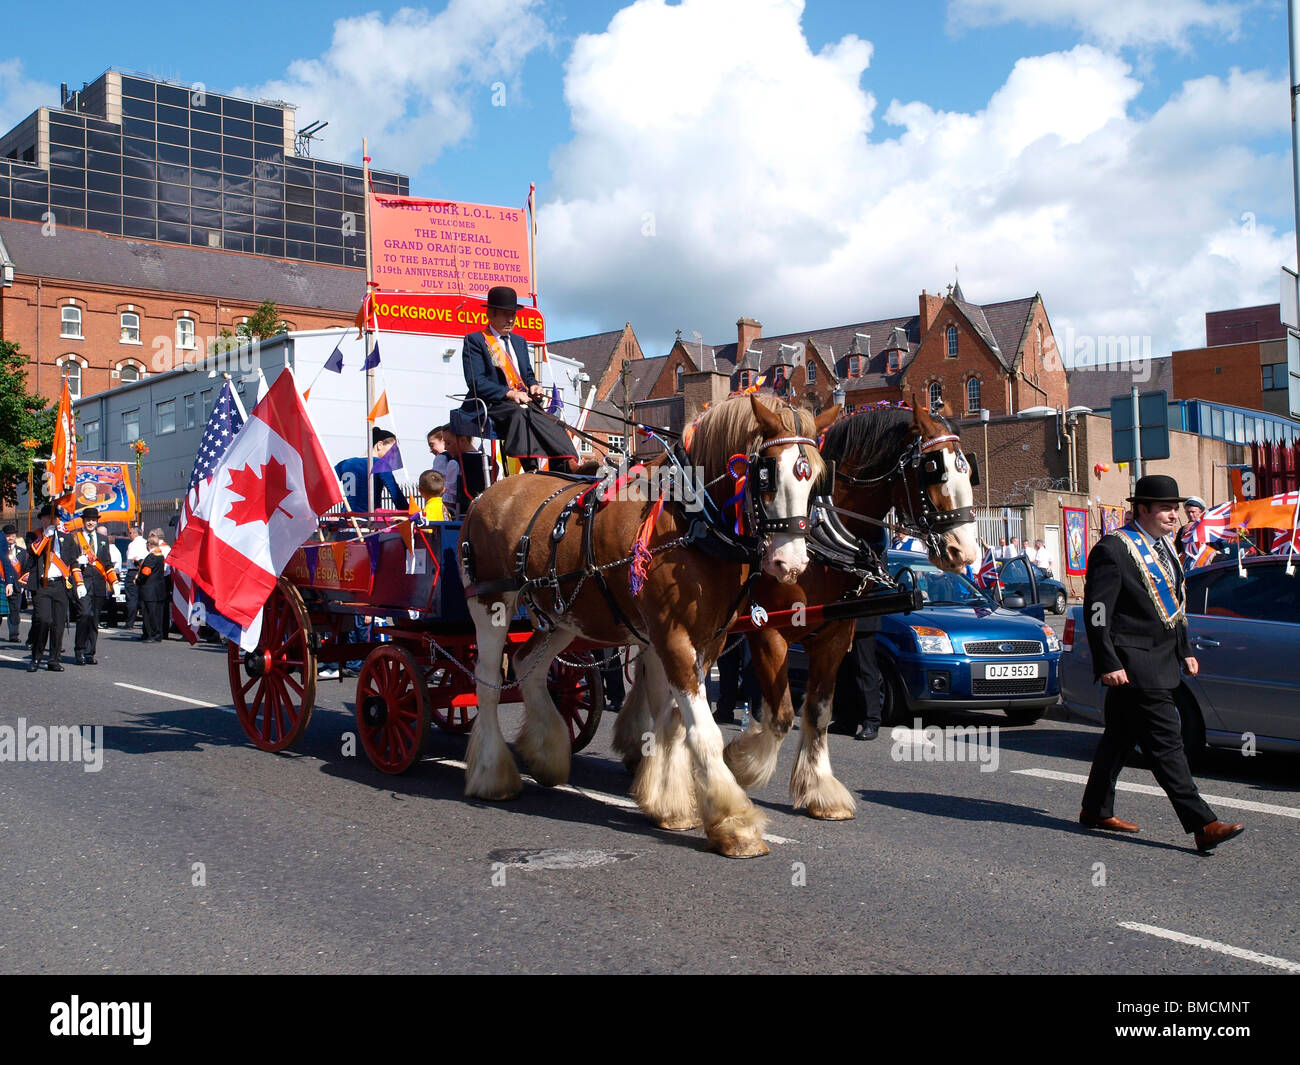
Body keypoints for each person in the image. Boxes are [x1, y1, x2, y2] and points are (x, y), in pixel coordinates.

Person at [1080, 474, 1245, 853]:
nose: (1174, 514)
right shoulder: (1114, 549)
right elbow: (1098, 610)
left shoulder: (1165, 548)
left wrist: (1185, 649)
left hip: (1161, 659)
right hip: (1134, 664)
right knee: (1167, 743)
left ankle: (1095, 809)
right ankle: (1203, 824)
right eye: (1166, 508)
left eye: (1175, 507)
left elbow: (1175, 606)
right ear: (1143, 509)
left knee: (1118, 739)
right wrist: (1107, 660)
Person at [461, 286, 579, 472]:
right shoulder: (475, 340)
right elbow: (476, 382)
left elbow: (528, 374)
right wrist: (509, 394)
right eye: (505, 314)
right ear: (490, 315)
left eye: (513, 315)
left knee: (550, 419)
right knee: (519, 415)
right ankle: (530, 467)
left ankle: (567, 464)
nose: (510, 319)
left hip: (523, 400)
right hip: (494, 402)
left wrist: (533, 385)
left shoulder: (519, 342)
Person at [23, 504, 84, 671]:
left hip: (60, 584)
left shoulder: (67, 538)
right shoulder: (33, 536)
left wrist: (79, 583)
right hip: (42, 585)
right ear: (42, 519)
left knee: (58, 623)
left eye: (54, 518)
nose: (51, 520)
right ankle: (36, 657)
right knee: (43, 620)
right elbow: (34, 551)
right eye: (48, 517)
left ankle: (54, 659)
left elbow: (73, 563)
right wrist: (45, 537)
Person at [71, 507, 115, 665]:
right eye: (88, 520)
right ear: (83, 521)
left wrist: (113, 581)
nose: (90, 522)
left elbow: (108, 563)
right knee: (84, 615)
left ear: (97, 522)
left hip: (98, 584)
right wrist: (77, 561)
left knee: (94, 619)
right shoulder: (76, 538)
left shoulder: (103, 540)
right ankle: (79, 650)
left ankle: (90, 653)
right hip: (82, 583)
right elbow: (70, 561)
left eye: (93, 520)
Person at [831, 615, 884, 740]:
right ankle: (845, 722)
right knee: (843, 673)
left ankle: (871, 721)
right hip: (842, 621)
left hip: (863, 619)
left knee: (865, 670)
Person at [335, 428, 410, 513]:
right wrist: (409, 514)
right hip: (367, 520)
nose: (394, 455)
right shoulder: (380, 464)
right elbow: (396, 494)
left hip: (346, 519)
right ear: (379, 445)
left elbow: (326, 483)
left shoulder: (345, 463)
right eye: (393, 450)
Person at [136, 532, 170, 642]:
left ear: (149, 544)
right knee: (157, 614)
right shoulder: (160, 556)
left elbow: (146, 572)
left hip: (149, 590)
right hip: (158, 589)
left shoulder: (151, 557)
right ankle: (157, 634)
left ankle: (151, 634)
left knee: (149, 614)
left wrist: (138, 580)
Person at [427, 426, 463, 518]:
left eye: (432, 445)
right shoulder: (459, 458)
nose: (430, 450)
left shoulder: (441, 458)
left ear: (443, 441)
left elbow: (436, 483)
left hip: (450, 508)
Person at [99, 524, 124, 628]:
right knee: (110, 600)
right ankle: (111, 621)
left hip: (111, 575)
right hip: (110, 575)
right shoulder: (112, 549)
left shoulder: (112, 550)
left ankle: (112, 621)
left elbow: (110, 564)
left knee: (111, 600)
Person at [123, 524, 147, 629]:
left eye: (131, 533)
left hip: (133, 571)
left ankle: (130, 622)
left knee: (132, 598)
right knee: (142, 598)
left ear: (136, 533)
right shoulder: (146, 542)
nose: (129, 535)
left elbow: (132, 558)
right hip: (144, 572)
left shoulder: (133, 544)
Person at [3, 523, 22, 642]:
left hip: (16, 585)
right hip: (2, 583)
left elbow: (26, 569)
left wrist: (23, 584)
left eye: (13, 535)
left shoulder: (22, 552)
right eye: (8, 536)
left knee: (15, 610)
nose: (10, 538)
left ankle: (14, 635)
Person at [1176, 495, 1207, 561]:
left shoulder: (1207, 527)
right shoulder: (1182, 530)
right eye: (1188, 512)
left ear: (1200, 511)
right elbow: (1177, 549)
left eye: (1193, 512)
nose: (1190, 515)